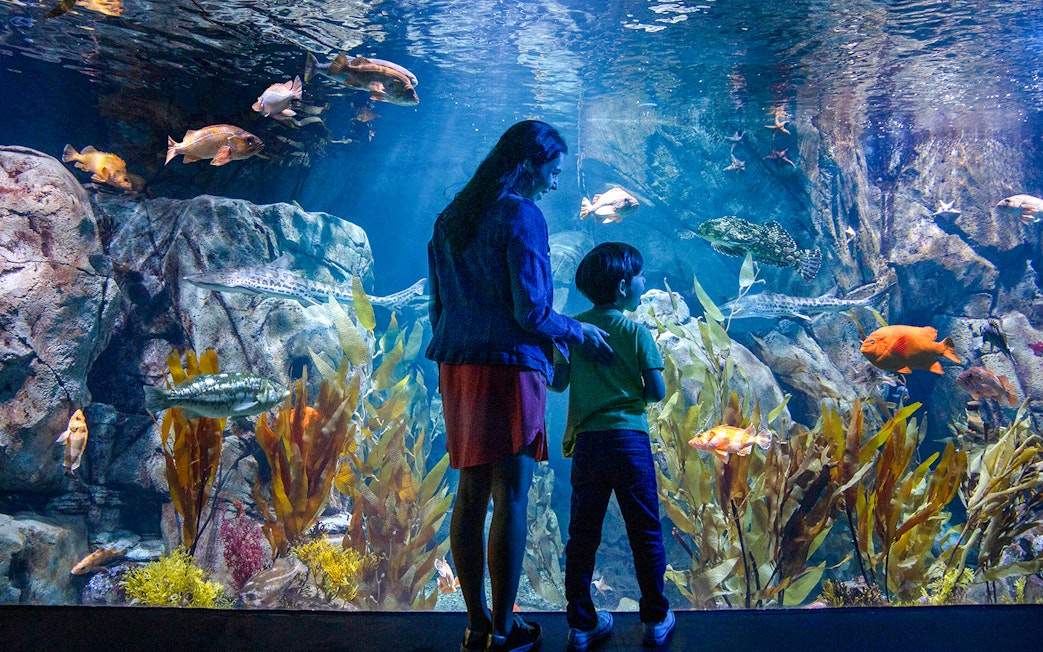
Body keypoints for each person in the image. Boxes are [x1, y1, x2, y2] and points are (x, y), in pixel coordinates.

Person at [426, 120, 612, 652]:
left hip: (456, 366)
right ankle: (506, 629)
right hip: (508, 367)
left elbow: (438, 307)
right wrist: (578, 332)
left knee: (470, 491)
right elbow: (530, 309)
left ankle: (477, 623)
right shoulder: (522, 217)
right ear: (530, 164)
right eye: (553, 171)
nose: (556, 184)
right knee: (511, 492)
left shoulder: (449, 219)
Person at [551, 242, 675, 651]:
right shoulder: (637, 332)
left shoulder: (573, 331)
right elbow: (656, 391)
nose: (644, 281)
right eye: (640, 276)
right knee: (645, 530)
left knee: (582, 534)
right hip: (629, 442)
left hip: (589, 444)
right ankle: (655, 618)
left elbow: (557, 382)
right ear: (624, 287)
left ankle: (581, 623)